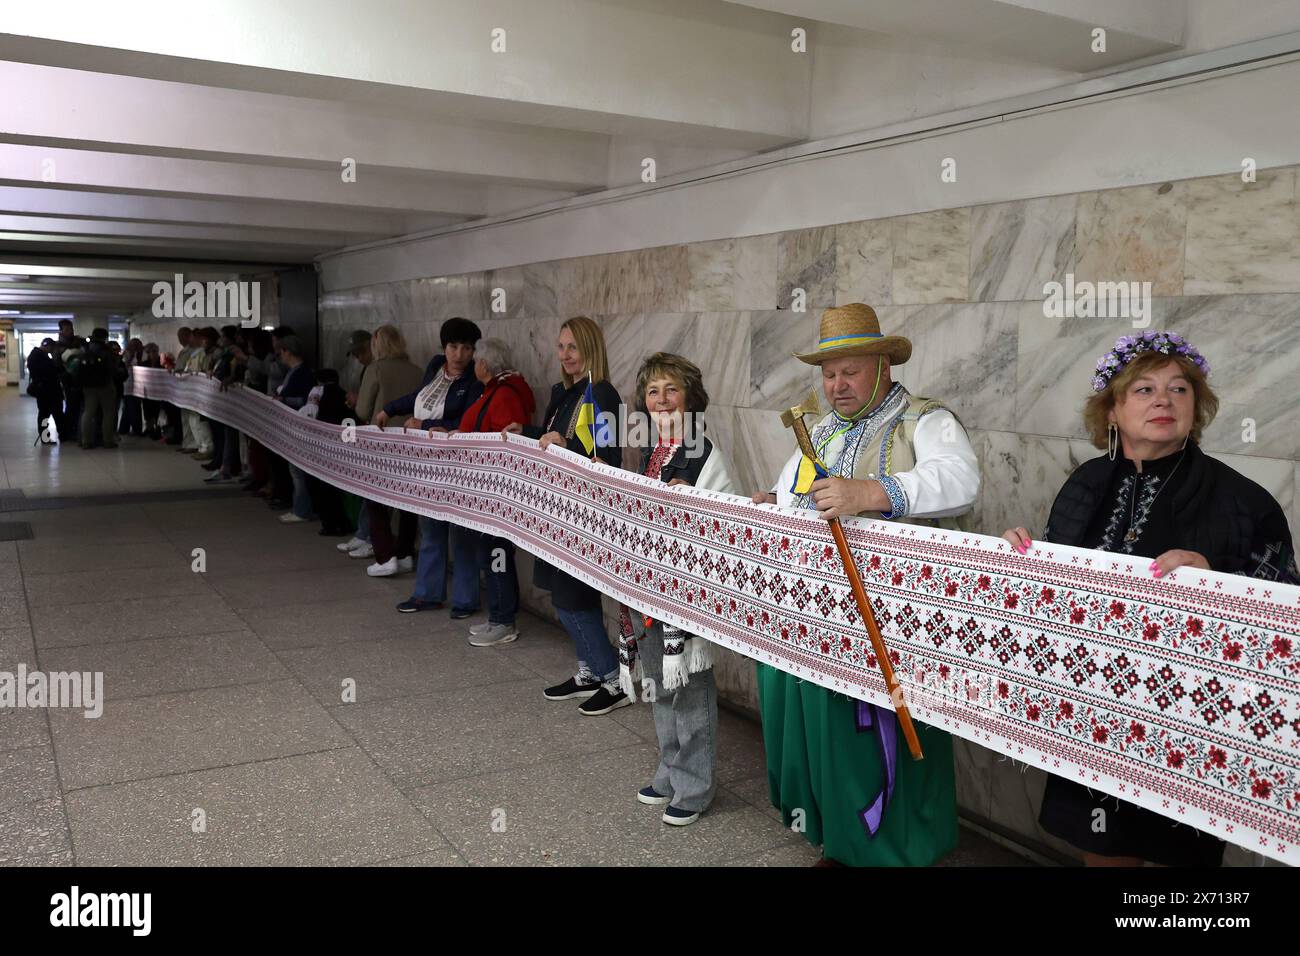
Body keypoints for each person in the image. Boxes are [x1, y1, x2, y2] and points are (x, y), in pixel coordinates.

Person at [1001, 330, 1298, 867]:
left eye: (1179, 389)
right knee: (1103, 845)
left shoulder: (1245, 502)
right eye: (1143, 390)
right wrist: (1021, 561)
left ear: (1195, 407)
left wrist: (1218, 580)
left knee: (1179, 855)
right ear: (1112, 411)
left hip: (1188, 717)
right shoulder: (1085, 484)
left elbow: (1283, 610)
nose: (1164, 400)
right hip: (1091, 703)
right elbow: (1057, 590)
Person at [751, 303, 980, 866]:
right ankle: (845, 844)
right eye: (829, 374)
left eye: (850, 371)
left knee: (888, 736)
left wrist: (872, 493)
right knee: (832, 738)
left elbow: (961, 480)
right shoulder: (820, 432)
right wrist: (771, 502)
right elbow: (795, 493)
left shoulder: (924, 419)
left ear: (882, 366)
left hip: (899, 621)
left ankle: (899, 850)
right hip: (825, 616)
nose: (837, 385)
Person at [620, 353, 737, 826]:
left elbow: (724, 515)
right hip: (647, 587)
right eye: (653, 392)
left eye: (672, 390)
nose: (662, 400)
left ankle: (695, 785)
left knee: (688, 690)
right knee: (660, 685)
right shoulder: (651, 452)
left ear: (689, 398)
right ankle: (669, 769)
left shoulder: (703, 452)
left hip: (684, 592)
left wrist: (689, 500)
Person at [515, 316, 627, 715]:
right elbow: (553, 438)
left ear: (590, 349)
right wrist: (526, 431)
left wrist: (566, 445)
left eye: (573, 348)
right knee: (560, 592)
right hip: (556, 509)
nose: (565, 356)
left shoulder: (603, 395)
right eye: (561, 347)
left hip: (583, 514)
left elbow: (607, 457)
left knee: (571, 598)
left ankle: (613, 679)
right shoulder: (562, 393)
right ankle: (588, 671)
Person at [378, 318, 484, 611]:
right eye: (453, 347)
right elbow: (419, 396)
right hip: (428, 464)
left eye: (466, 348)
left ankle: (465, 600)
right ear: (444, 347)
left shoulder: (474, 380)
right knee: (431, 529)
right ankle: (427, 594)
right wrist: (390, 408)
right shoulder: (436, 367)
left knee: (462, 535)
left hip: (459, 467)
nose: (459, 355)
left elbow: (466, 422)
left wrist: (425, 424)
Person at [451, 338, 535, 645]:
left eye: (476, 361)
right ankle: (497, 616)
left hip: (497, 490)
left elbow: (504, 440)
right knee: (491, 553)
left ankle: (503, 620)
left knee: (497, 552)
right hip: (488, 488)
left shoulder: (504, 393)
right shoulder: (497, 389)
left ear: (484, 365)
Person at [354, 325, 424, 571]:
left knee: (375, 500)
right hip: (410, 442)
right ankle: (405, 553)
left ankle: (385, 557)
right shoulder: (417, 371)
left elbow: (363, 410)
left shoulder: (376, 369)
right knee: (407, 501)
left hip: (380, 442)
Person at [274, 335, 316, 524]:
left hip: (299, 424)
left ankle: (302, 509)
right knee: (296, 469)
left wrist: (284, 400)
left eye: (281, 351)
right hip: (293, 424)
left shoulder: (301, 373)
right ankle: (300, 507)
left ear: (287, 351)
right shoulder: (296, 372)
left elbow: (305, 400)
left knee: (298, 469)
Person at [68, 328, 121, 450]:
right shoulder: (107, 350)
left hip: (88, 386)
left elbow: (77, 366)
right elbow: (113, 368)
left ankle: (86, 441)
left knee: (88, 412)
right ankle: (107, 441)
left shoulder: (85, 349)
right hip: (105, 385)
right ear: (105, 337)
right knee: (108, 413)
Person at [26, 338, 62, 444]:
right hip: (45, 391)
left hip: (47, 390)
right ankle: (45, 437)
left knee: (48, 414)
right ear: (47, 346)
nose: (52, 351)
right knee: (44, 415)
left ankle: (48, 436)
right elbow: (47, 371)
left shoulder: (38, 355)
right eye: (51, 348)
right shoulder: (37, 356)